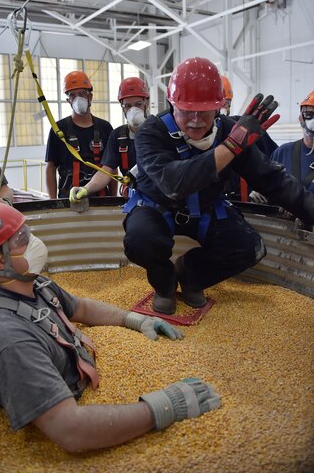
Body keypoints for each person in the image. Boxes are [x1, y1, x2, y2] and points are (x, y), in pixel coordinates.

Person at [0, 202, 221, 453]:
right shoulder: (9, 339)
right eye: (22, 238)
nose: (34, 241)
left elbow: (80, 308)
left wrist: (135, 319)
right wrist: (162, 408)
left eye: (28, 231)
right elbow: (70, 429)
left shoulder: (34, 286)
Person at [123, 57, 314, 315]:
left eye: (204, 110)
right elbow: (173, 183)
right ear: (171, 103)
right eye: (186, 110)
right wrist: (232, 146)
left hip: (206, 208)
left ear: (220, 107)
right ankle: (165, 283)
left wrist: (310, 211)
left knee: (248, 248)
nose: (196, 120)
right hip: (156, 207)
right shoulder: (151, 132)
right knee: (140, 239)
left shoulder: (228, 130)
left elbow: (272, 179)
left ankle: (190, 275)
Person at [69, 76, 149, 201]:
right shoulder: (118, 136)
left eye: (138, 104)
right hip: (133, 199)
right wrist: (86, 189)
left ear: (147, 103)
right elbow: (106, 171)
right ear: (122, 107)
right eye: (128, 106)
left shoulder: (161, 131)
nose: (133, 110)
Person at [45, 71, 115, 199]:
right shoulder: (58, 129)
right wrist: (53, 201)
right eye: (73, 95)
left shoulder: (105, 128)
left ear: (90, 97)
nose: (78, 99)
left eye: (82, 93)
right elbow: (50, 168)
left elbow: (112, 168)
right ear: (68, 100)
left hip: (102, 200)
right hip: (68, 200)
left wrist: (114, 198)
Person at [251, 90, 314, 201]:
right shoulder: (283, 152)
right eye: (309, 114)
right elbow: (269, 184)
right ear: (300, 118)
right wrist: (261, 194)